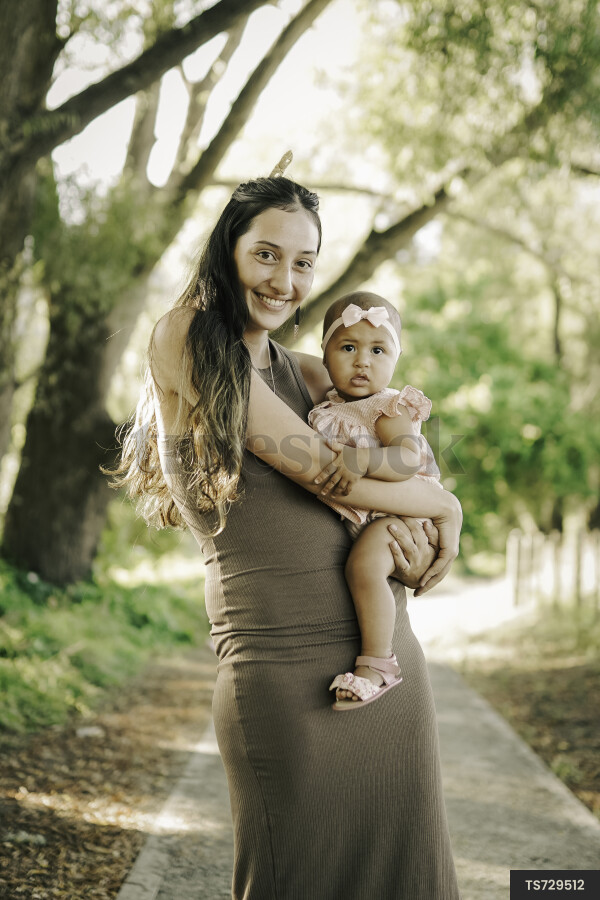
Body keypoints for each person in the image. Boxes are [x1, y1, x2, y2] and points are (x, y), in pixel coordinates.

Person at [110, 165, 462, 899]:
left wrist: (427, 516)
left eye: (304, 263)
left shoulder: (310, 372)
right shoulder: (187, 337)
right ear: (228, 249)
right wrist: (444, 507)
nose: (285, 280)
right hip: (279, 672)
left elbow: (393, 459)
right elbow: (318, 469)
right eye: (267, 253)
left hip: (383, 665)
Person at [306, 290, 443, 710]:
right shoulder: (329, 409)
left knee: (363, 566)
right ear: (325, 356)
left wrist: (361, 458)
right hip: (376, 513)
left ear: (395, 360)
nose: (363, 360)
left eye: (378, 350)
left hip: (402, 509)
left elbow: (406, 458)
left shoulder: (388, 407)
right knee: (362, 567)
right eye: (348, 347)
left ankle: (379, 662)